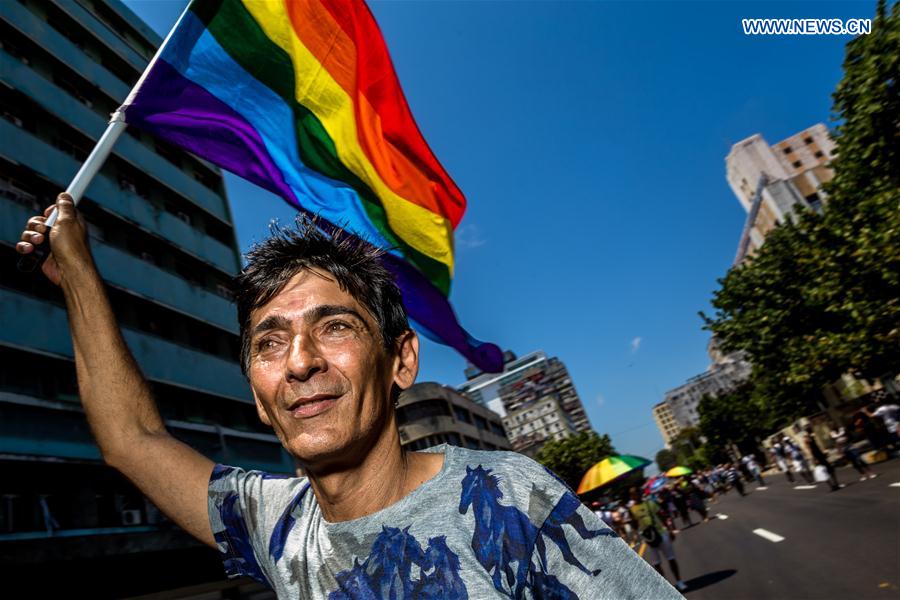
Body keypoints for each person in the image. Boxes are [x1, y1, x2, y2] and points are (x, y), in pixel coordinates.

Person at [17, 196, 681, 599]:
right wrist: (76, 274)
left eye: (333, 327)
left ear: (400, 359)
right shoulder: (270, 523)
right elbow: (132, 440)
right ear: (257, 391)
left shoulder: (507, 499)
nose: (301, 362)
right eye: (270, 344)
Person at [628, 488, 688, 592]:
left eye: (637, 493)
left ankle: (679, 582)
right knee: (656, 563)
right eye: (633, 494)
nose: (635, 495)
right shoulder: (631, 510)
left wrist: (670, 530)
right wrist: (632, 523)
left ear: (640, 493)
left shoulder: (651, 503)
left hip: (661, 533)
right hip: (648, 538)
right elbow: (634, 525)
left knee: (671, 558)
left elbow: (662, 516)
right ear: (631, 497)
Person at [803, 426, 841, 491]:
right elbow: (809, 449)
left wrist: (824, 452)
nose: (811, 430)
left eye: (810, 429)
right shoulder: (806, 438)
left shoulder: (812, 436)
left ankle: (836, 484)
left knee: (830, 469)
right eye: (809, 429)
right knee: (823, 471)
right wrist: (814, 458)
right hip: (816, 456)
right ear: (807, 430)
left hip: (820, 455)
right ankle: (831, 486)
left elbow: (818, 445)